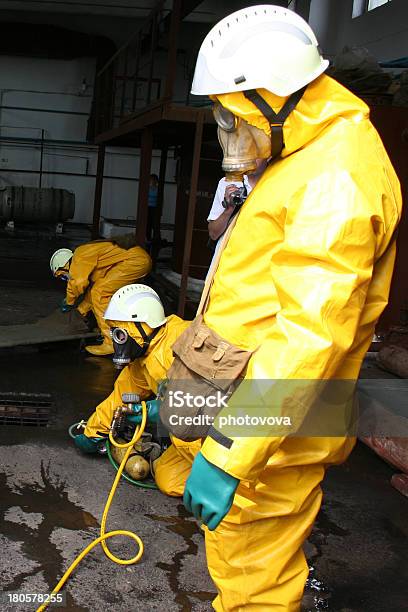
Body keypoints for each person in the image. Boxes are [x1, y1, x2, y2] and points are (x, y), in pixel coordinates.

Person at [150, 5, 402, 611]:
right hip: (251, 400)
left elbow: (310, 338)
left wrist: (230, 452)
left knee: (253, 568)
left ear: (278, 97)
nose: (227, 133)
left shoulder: (335, 179)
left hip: (272, 424)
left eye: (233, 115)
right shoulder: (304, 155)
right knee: (243, 552)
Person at [73, 283, 190, 453]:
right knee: (166, 476)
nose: (117, 341)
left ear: (144, 325)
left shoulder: (185, 342)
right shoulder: (145, 355)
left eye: (120, 333)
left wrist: (160, 410)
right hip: (189, 437)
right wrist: (94, 432)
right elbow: (120, 396)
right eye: (115, 333)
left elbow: (211, 400)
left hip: (226, 437)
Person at [50, 236, 151, 356]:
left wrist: (69, 301)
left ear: (64, 266)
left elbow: (78, 282)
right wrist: (80, 311)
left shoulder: (80, 256)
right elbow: (90, 293)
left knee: (100, 292)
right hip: (136, 260)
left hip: (135, 262)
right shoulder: (87, 259)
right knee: (97, 290)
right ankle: (111, 332)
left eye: (62, 276)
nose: (65, 279)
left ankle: (111, 342)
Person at [147, 173, 159, 242]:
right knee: (148, 224)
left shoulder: (158, 189)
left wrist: (160, 211)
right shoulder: (147, 189)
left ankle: (155, 239)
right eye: (151, 180)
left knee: (154, 224)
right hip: (148, 208)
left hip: (155, 208)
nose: (152, 181)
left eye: (153, 180)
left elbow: (161, 200)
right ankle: (148, 239)